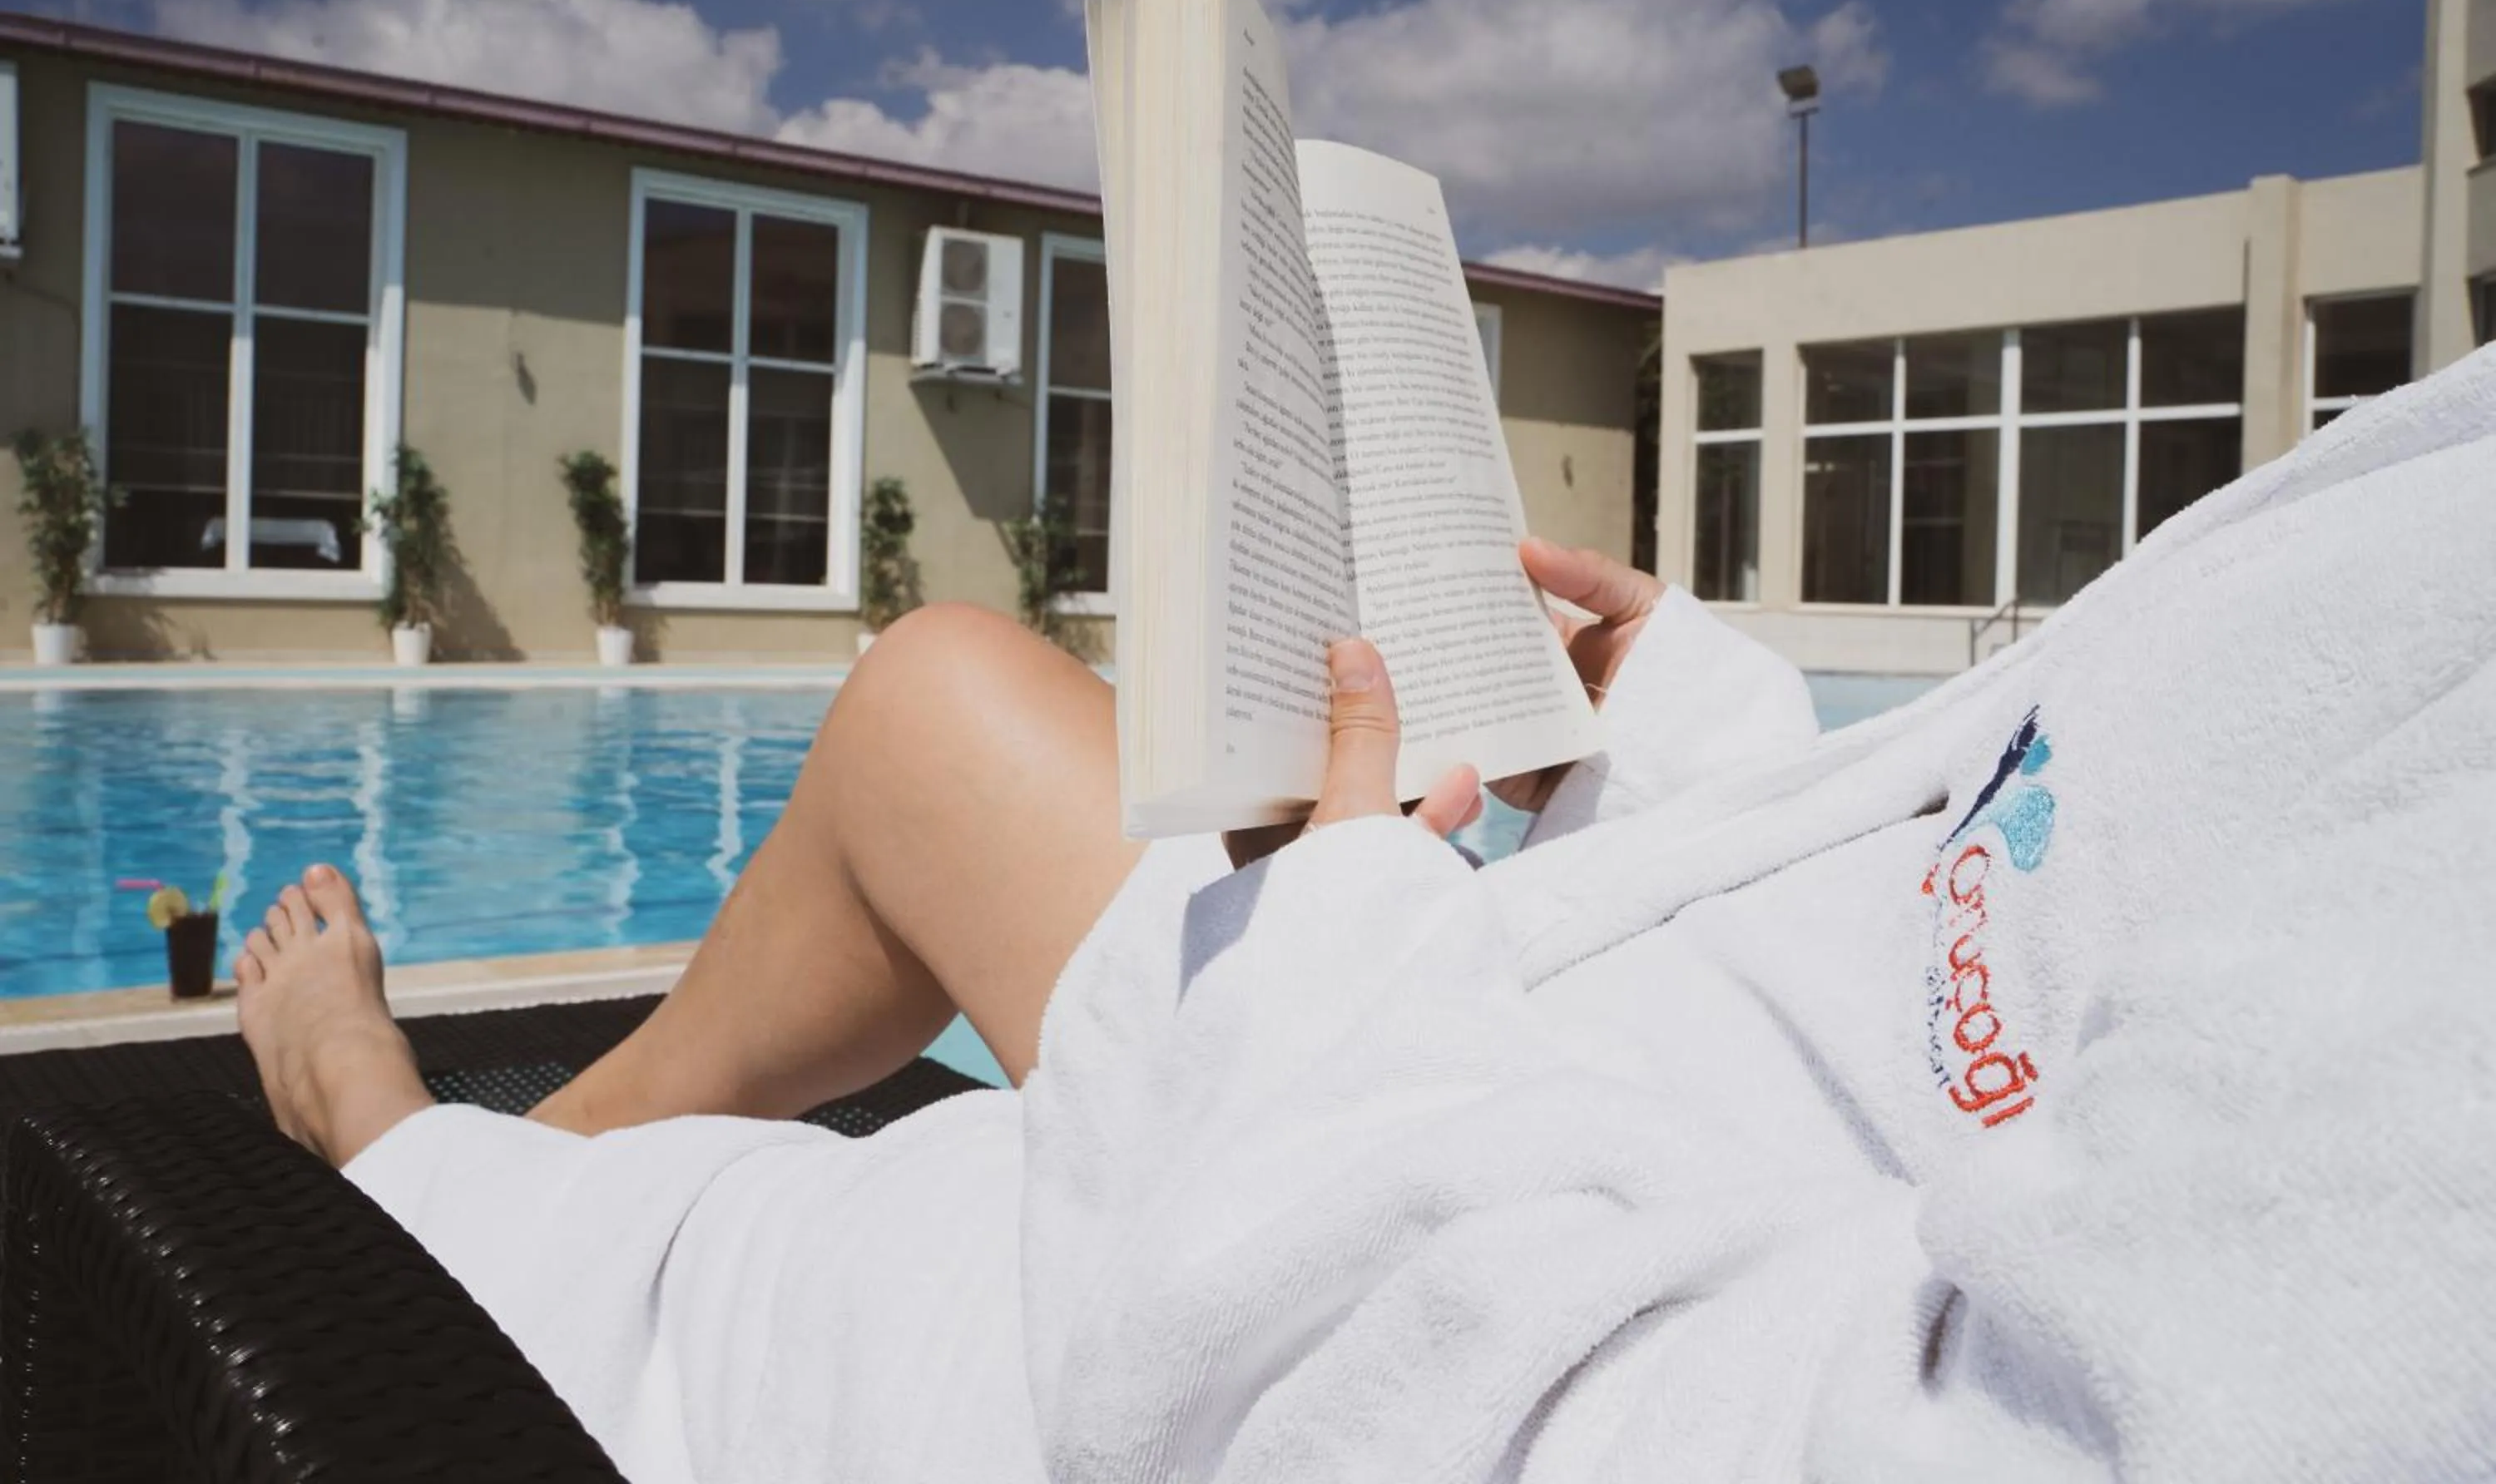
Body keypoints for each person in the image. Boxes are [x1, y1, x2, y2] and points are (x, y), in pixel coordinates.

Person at [238, 354, 2496, 1483]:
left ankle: (410, 1171)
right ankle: (542, 1160)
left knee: (747, 1257)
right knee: (939, 707)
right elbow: (2017, 910)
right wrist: (1689, 740)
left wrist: (1342, 928)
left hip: (1267, 1319)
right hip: (1519, 1070)